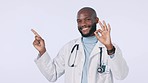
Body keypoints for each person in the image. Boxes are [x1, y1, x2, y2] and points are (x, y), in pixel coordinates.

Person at [32, 7, 129, 83]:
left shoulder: (109, 48)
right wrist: (42, 51)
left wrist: (109, 48)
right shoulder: (69, 48)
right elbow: (52, 75)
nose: (83, 24)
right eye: (79, 21)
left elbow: (121, 75)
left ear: (96, 20)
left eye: (87, 19)